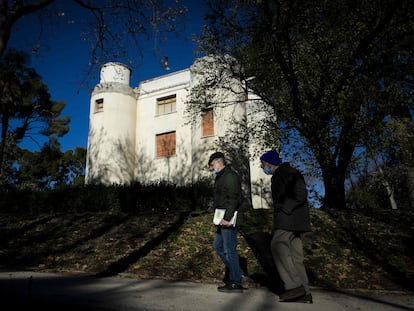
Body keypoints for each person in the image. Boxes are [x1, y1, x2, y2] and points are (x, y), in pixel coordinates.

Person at [260, 150, 313, 303]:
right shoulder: (282, 174)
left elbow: (301, 193)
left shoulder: (288, 172)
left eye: (262, 163)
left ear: (269, 162)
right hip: (295, 220)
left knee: (277, 245)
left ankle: (294, 286)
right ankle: (305, 293)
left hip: (289, 219)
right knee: (296, 256)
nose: (261, 166)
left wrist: (285, 208)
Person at [208, 151, 245, 293]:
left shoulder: (230, 176)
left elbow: (233, 198)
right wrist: (217, 218)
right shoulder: (221, 177)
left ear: (219, 162)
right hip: (221, 219)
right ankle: (238, 272)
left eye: (212, 165)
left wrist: (227, 218)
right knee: (218, 246)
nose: (212, 168)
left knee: (230, 250)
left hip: (228, 219)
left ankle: (236, 282)